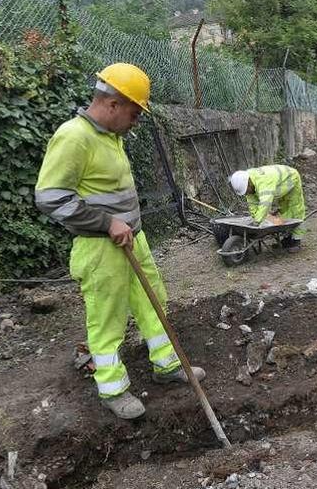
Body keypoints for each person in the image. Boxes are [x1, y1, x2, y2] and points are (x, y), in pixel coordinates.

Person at [35, 62, 205, 420]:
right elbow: (50, 198)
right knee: (107, 320)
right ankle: (113, 389)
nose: (136, 121)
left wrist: (124, 223)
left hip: (132, 239)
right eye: (134, 112)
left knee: (152, 300)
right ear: (113, 104)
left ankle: (166, 365)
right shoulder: (74, 136)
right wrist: (106, 222)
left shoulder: (110, 136)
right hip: (100, 248)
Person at [229, 165, 307, 252]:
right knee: (284, 211)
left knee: (295, 209)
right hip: (279, 185)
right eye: (245, 192)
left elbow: (265, 204)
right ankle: (288, 238)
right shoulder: (249, 184)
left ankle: (296, 240)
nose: (247, 193)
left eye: (247, 190)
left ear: (248, 182)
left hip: (291, 178)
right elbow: (253, 205)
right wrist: (256, 220)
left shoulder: (264, 181)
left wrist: (257, 222)